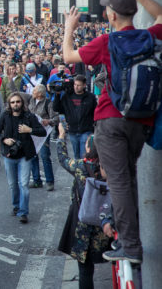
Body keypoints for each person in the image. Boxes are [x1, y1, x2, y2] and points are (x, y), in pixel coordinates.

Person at [62, 0, 162, 263]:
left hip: (110, 119)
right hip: (141, 121)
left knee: (118, 182)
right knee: (127, 178)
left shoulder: (107, 41)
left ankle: (130, 246)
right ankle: (124, 233)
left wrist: (70, 28)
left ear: (111, 15)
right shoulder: (150, 36)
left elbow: (68, 57)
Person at [56, 124, 113, 289]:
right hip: (106, 222)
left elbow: (62, 158)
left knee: (85, 268)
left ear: (89, 148)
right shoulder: (112, 167)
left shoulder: (80, 166)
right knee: (115, 262)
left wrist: (61, 136)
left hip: (83, 221)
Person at [0, 92, 46, 224]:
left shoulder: (29, 116)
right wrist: (4, 140)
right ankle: (16, 206)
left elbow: (43, 131)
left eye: (18, 102)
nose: (15, 104)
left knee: (24, 184)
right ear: (9, 104)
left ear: (22, 103)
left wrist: (30, 130)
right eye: (13, 102)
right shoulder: (5, 116)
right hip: (9, 155)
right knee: (12, 185)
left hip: (25, 156)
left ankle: (23, 212)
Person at [52, 75, 97, 160]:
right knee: (76, 156)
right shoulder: (67, 96)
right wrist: (57, 95)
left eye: (79, 85)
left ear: (84, 85)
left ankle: (84, 172)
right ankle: (79, 172)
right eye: (75, 85)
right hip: (72, 130)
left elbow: (95, 112)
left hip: (86, 130)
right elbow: (57, 108)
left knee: (84, 156)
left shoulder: (90, 97)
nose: (76, 87)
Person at [27, 84, 57, 191]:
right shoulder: (31, 100)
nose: (32, 92)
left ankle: (49, 181)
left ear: (40, 93)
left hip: (44, 133)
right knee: (33, 156)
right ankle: (36, 181)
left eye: (34, 90)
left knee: (44, 156)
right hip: (32, 132)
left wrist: (48, 121)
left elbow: (56, 118)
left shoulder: (48, 103)